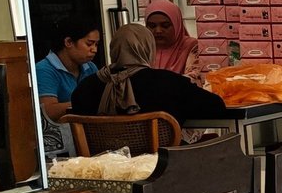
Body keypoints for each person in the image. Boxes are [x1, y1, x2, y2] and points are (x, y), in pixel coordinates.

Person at [70, 24, 227, 124]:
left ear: (113, 48)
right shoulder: (169, 84)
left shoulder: (85, 88)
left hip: (105, 167)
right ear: (148, 48)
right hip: (161, 165)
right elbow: (216, 106)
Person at [35, 15, 102, 157]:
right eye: (89, 44)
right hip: (59, 149)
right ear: (69, 42)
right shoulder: (44, 70)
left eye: (96, 45)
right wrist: (80, 104)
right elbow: (48, 111)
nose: (94, 50)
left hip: (90, 141)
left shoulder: (91, 68)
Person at [143, 0, 202, 80]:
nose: (158, 31)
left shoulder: (191, 46)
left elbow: (195, 76)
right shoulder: (141, 49)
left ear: (177, 25)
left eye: (165, 25)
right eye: (152, 26)